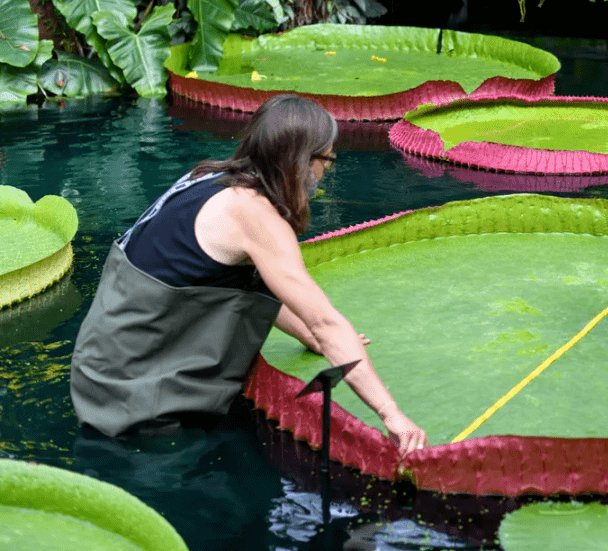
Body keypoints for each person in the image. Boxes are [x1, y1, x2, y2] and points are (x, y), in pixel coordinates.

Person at [70, 93, 427, 455]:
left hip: (98, 368)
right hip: (131, 396)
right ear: (300, 161)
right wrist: (391, 412)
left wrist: (309, 338)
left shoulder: (209, 177)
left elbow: (253, 284)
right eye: (327, 161)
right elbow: (327, 323)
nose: (324, 174)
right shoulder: (254, 215)